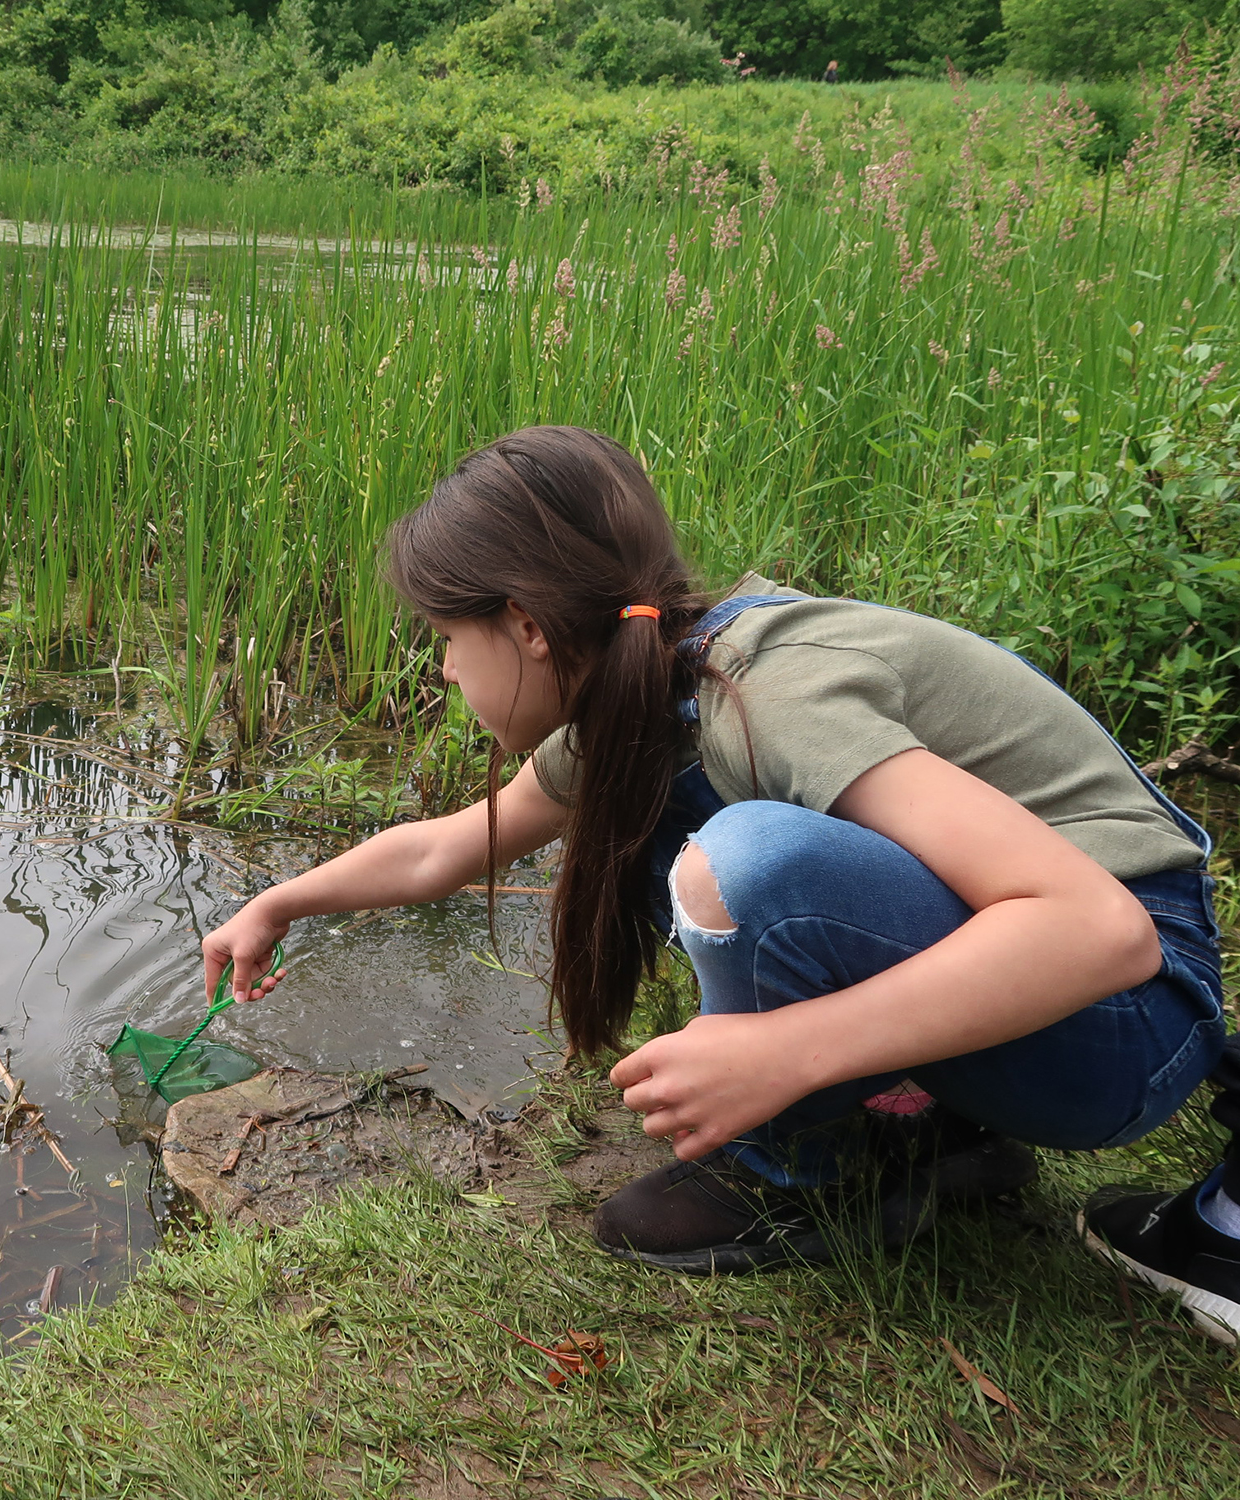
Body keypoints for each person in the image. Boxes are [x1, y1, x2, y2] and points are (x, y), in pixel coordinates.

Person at [201, 426, 1238, 1343]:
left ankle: (805, 1171)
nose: (440, 671)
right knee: (691, 836)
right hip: (1047, 1000)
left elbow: (1102, 929)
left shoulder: (767, 696)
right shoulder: (640, 687)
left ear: (524, 625)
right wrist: (281, 901)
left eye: (444, 639)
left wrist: (787, 1049)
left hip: (1129, 1023)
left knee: (745, 861)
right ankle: (924, 1135)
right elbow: (448, 847)